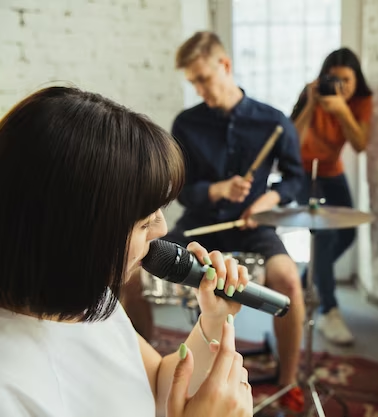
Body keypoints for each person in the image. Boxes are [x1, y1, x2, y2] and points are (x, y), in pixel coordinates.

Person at [0, 86, 253, 417]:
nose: (162, 230)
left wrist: (214, 319)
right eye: (145, 222)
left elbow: (159, 383)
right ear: (78, 230)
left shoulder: (87, 298)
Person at [165, 31, 306, 410]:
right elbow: (183, 190)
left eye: (203, 79)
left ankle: (287, 384)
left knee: (289, 280)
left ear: (224, 65)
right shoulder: (186, 124)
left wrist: (268, 200)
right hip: (199, 225)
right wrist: (217, 190)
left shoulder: (273, 121)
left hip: (254, 227)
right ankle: (144, 365)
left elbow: (296, 179)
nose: (198, 89)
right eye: (192, 81)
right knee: (134, 267)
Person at [290, 47, 373, 345]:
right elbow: (292, 140)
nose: (340, 87)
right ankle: (329, 310)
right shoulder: (312, 93)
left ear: (356, 80)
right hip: (303, 170)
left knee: (347, 233)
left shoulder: (361, 101)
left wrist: (341, 109)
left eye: (346, 81)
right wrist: (311, 104)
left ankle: (305, 279)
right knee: (323, 236)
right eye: (334, 80)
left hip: (332, 170)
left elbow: (360, 143)